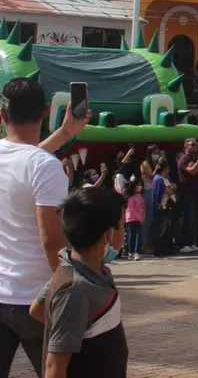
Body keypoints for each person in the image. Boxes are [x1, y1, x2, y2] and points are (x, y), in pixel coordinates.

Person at [0, 78, 87, 376]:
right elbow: (52, 241)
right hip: (37, 300)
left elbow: (24, 158)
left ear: (3, 115)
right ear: (46, 111)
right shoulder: (45, 167)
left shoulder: (31, 162)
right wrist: (68, 292)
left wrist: (63, 134)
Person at [29, 187, 128, 377]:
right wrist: (69, 328)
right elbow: (54, 368)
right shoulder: (76, 289)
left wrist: (75, 329)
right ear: (108, 234)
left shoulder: (77, 268)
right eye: (122, 225)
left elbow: (37, 309)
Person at [123, 180, 145, 261]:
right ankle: (131, 252)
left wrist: (142, 216)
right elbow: (131, 209)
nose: (140, 186)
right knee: (132, 236)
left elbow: (142, 208)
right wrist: (139, 218)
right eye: (138, 185)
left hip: (139, 219)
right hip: (131, 219)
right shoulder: (131, 197)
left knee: (139, 236)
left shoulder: (140, 196)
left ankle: (136, 252)